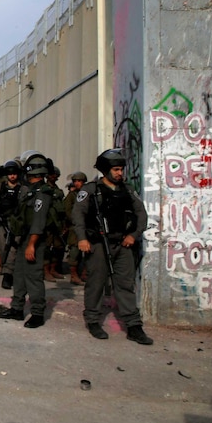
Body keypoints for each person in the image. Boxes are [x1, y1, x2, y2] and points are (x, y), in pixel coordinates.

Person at [72, 148, 153, 345]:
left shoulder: (127, 190)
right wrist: (82, 238)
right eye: (116, 169)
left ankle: (134, 327)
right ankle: (92, 320)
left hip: (122, 244)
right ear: (105, 170)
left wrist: (134, 235)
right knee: (96, 283)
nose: (120, 173)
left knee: (125, 285)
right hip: (98, 244)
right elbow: (78, 215)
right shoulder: (90, 190)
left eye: (121, 170)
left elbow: (141, 214)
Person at [0, 151, 54, 329]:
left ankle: (37, 313)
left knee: (34, 278)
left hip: (33, 240)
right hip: (23, 239)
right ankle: (17, 308)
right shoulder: (31, 191)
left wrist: (31, 245)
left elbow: (39, 221)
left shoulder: (42, 193)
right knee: (19, 275)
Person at [0, 160, 21, 287]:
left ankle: (8, 274)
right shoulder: (0, 188)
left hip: (16, 222)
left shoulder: (22, 189)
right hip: (2, 222)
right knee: (3, 247)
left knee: (13, 247)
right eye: (10, 173)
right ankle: (3, 265)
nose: (12, 176)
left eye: (14, 173)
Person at [63, 171, 88, 285]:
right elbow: (67, 211)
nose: (77, 183)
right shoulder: (72, 196)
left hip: (87, 227)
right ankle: (74, 275)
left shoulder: (87, 195)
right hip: (74, 228)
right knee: (74, 252)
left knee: (88, 252)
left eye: (79, 181)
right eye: (75, 181)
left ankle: (84, 273)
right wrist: (75, 221)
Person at [44, 165, 67, 282]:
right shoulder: (44, 188)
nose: (55, 177)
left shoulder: (57, 189)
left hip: (57, 222)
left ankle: (53, 269)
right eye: (53, 175)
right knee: (47, 248)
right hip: (48, 223)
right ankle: (46, 270)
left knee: (58, 247)